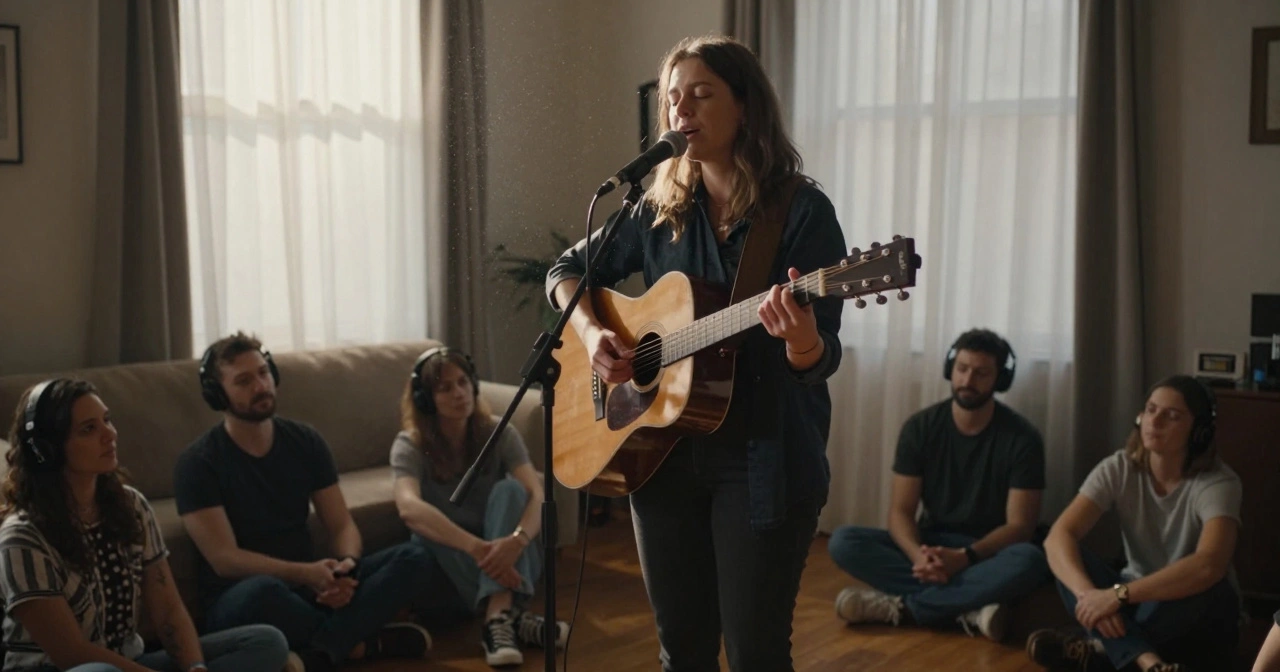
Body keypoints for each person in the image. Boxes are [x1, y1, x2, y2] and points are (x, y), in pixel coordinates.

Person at [544, 34, 847, 672]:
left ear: (746, 107)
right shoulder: (656, 208)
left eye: (701, 94)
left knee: (755, 651)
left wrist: (799, 339)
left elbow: (820, 358)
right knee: (681, 650)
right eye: (673, 99)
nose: (682, 110)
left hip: (762, 460)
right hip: (660, 457)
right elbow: (565, 273)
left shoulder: (800, 211)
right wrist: (597, 336)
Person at [174, 332, 433, 672]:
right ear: (217, 394)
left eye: (264, 373)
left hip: (311, 589)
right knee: (262, 592)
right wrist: (306, 574)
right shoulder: (198, 463)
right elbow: (225, 560)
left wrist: (345, 568)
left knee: (414, 556)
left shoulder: (304, 441)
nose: (260, 386)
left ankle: (323, 652)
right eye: (243, 381)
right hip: (241, 597)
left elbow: (341, 525)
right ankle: (360, 642)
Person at [0, 379, 289, 672]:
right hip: (65, 669)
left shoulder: (132, 506)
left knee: (265, 641)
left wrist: (196, 667)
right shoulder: (22, 537)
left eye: (107, 420)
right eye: (89, 429)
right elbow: (71, 654)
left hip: (130, 663)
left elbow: (168, 610)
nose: (109, 434)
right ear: (45, 451)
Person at [826, 329, 1050, 641]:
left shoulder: (1023, 439)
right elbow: (900, 512)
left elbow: (1020, 527)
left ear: (1000, 379)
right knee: (843, 541)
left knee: (1030, 560)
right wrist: (919, 556)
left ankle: (904, 608)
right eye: (962, 369)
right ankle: (967, 608)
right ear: (950, 369)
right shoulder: (920, 428)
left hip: (987, 552)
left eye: (981, 373)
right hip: (932, 542)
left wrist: (965, 557)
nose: (968, 380)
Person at [1027, 375, 1241, 672]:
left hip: (1194, 604)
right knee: (1065, 556)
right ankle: (1148, 663)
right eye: (1151, 410)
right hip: (1135, 599)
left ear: (1199, 431)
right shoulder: (1119, 467)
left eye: (1172, 415)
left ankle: (1098, 650)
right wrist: (1089, 597)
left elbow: (1209, 564)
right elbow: (1059, 536)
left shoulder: (1219, 483)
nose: (1155, 421)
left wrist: (1116, 596)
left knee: (1208, 586)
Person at [390, 346, 568, 667]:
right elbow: (408, 508)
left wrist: (518, 541)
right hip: (454, 556)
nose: (459, 393)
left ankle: (496, 618)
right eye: (445, 388)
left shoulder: (499, 432)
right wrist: (477, 549)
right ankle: (512, 617)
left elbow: (536, 493)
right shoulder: (410, 444)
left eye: (463, 382)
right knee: (425, 524)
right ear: (424, 399)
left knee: (512, 491)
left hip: (506, 549)